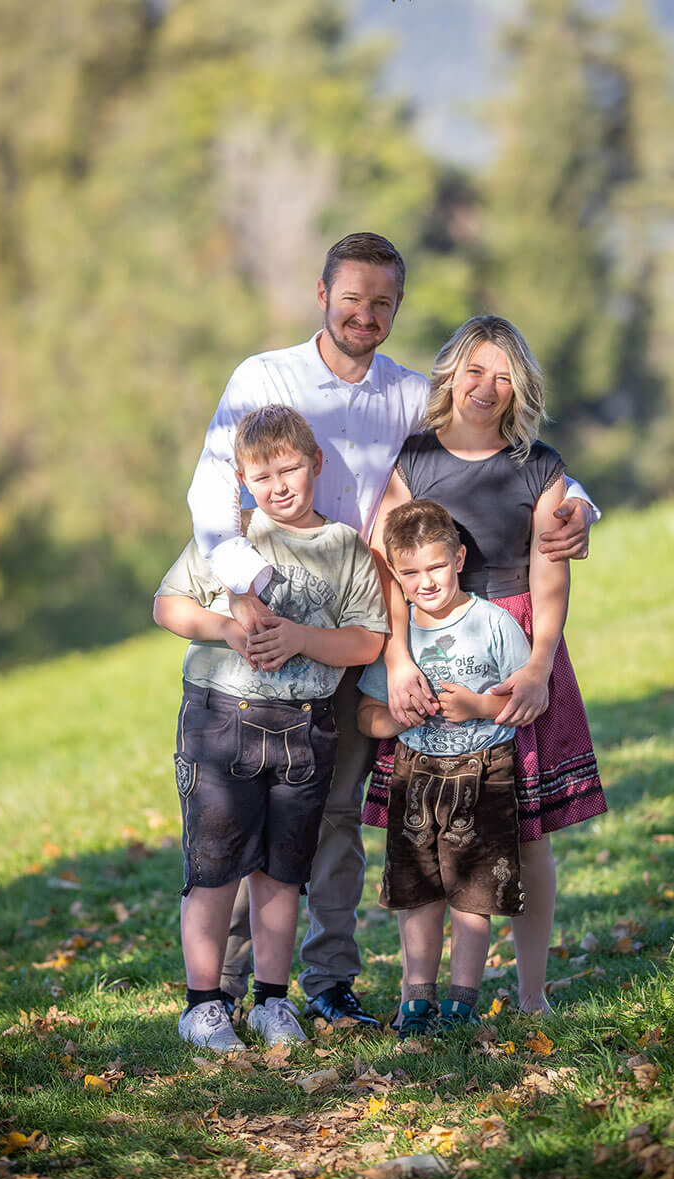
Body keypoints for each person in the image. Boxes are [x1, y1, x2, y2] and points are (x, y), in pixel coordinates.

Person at [185, 233, 598, 1028]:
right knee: (254, 812)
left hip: (373, 629)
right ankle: (225, 991)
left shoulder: (409, 395)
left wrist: (582, 505)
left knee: (338, 815)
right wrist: (250, 593)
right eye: (352, 300)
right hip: (279, 627)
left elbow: (507, 452)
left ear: (397, 308)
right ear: (321, 294)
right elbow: (212, 497)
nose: (366, 315)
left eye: (383, 303)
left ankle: (328, 986)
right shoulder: (263, 378)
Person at [368, 315, 608, 1016]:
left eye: (504, 376)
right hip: (432, 649)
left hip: (515, 649)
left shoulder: (539, 466)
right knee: (429, 826)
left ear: (520, 387)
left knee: (525, 834)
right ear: (452, 373)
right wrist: (397, 656)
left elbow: (551, 573)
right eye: (475, 370)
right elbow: (391, 566)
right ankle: (424, 992)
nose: (487, 387)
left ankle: (530, 994)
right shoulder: (412, 461)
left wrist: (538, 667)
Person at [154, 406, 387, 1049]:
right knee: (214, 864)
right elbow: (167, 605)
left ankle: (271, 1002)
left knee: (285, 872)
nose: (280, 486)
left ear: (317, 464)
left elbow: (368, 640)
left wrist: (302, 638)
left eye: (291, 469)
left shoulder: (344, 548)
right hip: (221, 719)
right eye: (263, 477)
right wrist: (227, 627)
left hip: (305, 731)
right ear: (242, 483)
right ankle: (204, 1005)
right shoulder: (227, 542)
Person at [358, 500, 539, 1035]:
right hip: (416, 775)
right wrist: (393, 719)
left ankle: (462, 1001)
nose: (426, 582)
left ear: (459, 558)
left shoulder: (495, 623)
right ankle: (416, 997)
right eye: (410, 573)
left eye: (436, 566)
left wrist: (477, 707)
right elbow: (366, 713)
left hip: (485, 774)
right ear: (396, 574)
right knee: (417, 893)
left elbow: (532, 701)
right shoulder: (396, 638)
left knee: (472, 896)